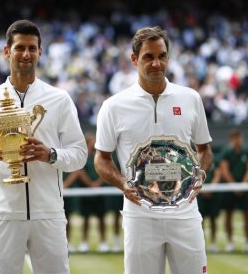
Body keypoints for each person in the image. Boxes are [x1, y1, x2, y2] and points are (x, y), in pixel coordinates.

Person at [0, 20, 87, 274]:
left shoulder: (60, 99)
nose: (26, 54)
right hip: (3, 214)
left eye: (32, 48)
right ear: (7, 51)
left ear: (40, 52)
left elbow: (80, 154)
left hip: (49, 213)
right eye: (20, 48)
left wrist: (50, 154)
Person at [94, 26, 213, 274]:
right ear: (134, 59)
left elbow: (204, 149)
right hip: (140, 215)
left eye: (162, 56)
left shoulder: (190, 98)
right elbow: (101, 160)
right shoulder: (113, 106)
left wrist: (199, 175)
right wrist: (122, 183)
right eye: (149, 56)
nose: (156, 63)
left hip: (185, 212)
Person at [219, 129, 248, 253]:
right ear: (232, 139)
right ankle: (230, 242)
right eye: (236, 138)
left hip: (245, 188)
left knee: (247, 215)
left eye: (240, 138)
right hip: (230, 188)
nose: (239, 140)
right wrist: (234, 186)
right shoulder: (226, 152)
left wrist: (243, 184)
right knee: (228, 215)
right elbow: (224, 170)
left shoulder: (247, 151)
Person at [77, 133, 108, 253]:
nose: (93, 143)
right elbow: (79, 171)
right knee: (85, 219)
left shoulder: (99, 156)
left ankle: (103, 242)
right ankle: (84, 242)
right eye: (91, 141)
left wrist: (97, 183)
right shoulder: (82, 157)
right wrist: (90, 184)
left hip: (99, 193)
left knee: (101, 219)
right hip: (85, 193)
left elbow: (104, 170)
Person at [197, 156, 221, 253]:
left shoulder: (215, 159)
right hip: (200, 193)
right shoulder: (196, 158)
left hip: (213, 193)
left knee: (213, 219)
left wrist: (211, 188)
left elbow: (217, 174)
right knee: (200, 220)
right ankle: (201, 244)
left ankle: (213, 243)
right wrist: (202, 187)